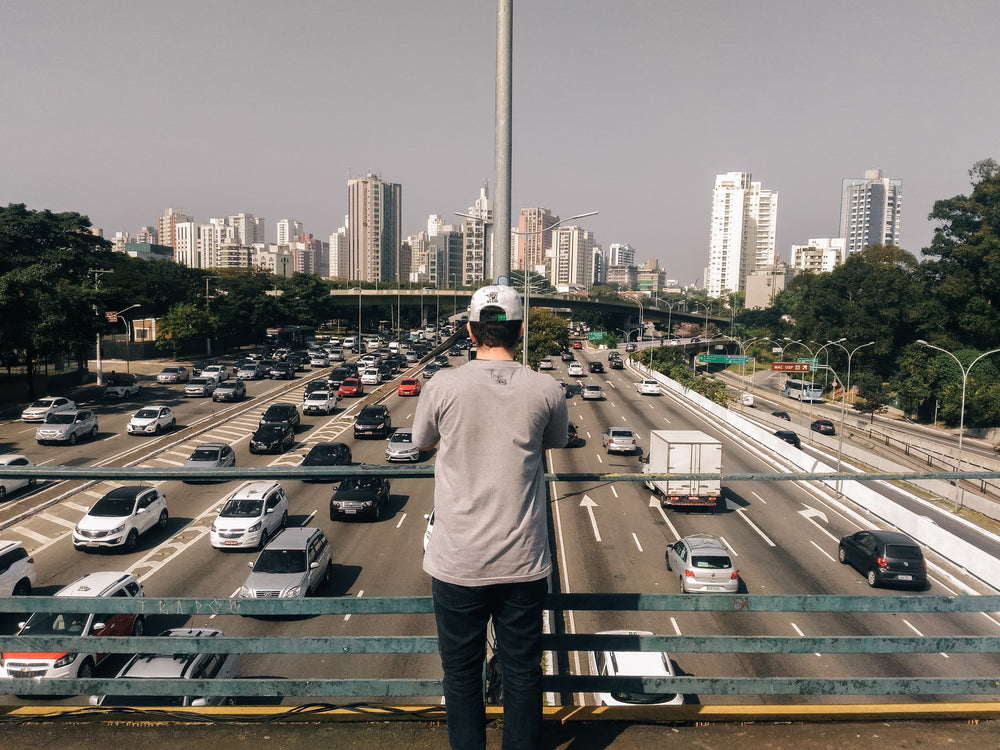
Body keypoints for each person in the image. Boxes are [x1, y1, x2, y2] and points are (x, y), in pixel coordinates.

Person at [413, 284, 568, 750]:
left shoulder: (443, 384)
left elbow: (421, 442)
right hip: (521, 562)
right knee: (522, 671)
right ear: (519, 331)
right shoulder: (545, 387)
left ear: (469, 331)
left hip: (457, 561)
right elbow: (557, 440)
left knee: (460, 674)